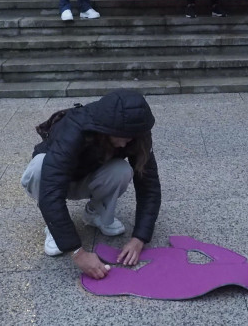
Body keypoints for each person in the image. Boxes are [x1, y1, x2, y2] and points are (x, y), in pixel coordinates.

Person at [20, 89, 161, 279]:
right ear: (108, 128)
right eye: (123, 137)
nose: (125, 144)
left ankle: (96, 212)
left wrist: (139, 239)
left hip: (90, 177)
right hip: (57, 182)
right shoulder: (73, 127)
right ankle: (53, 228)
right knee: (40, 167)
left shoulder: (136, 134)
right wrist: (78, 253)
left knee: (122, 170)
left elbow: (149, 185)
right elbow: (51, 189)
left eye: (131, 138)